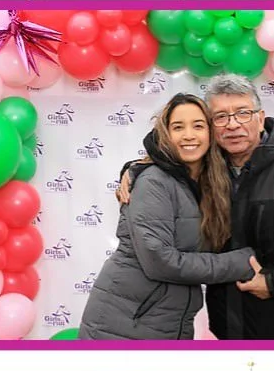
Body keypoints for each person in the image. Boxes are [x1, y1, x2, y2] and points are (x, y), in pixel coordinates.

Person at [118, 74, 274, 342]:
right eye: (220, 117)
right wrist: (136, 170)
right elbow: (168, 154)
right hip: (228, 328)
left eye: (243, 113)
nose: (232, 125)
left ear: (260, 118)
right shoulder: (209, 170)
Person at [78, 92, 257, 341]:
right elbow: (160, 262)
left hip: (167, 321)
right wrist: (243, 263)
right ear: (166, 135)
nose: (189, 135)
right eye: (178, 127)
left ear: (210, 133)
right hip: (125, 322)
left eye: (198, 126)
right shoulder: (153, 181)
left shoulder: (210, 184)